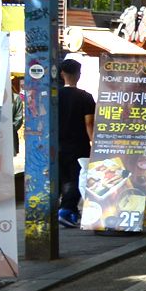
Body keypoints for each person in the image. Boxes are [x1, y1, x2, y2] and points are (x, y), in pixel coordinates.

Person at [55, 58, 95, 229]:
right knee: (76, 179)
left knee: (60, 178)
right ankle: (66, 210)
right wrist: (94, 142)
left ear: (62, 74)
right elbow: (89, 123)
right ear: (79, 74)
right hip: (79, 145)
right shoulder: (85, 97)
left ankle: (63, 211)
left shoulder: (54, 96)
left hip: (56, 145)